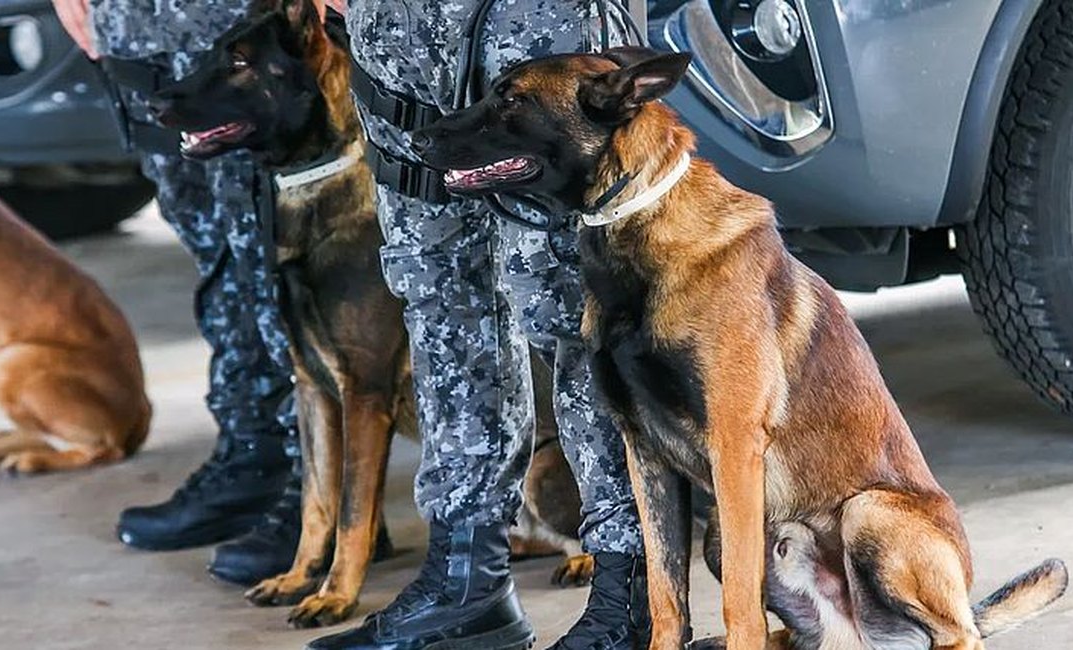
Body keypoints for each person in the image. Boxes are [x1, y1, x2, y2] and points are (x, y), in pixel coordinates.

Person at [307, 2, 649, 650]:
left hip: (534, 18)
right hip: (396, 28)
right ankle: (467, 586)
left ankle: (631, 593)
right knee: (438, 294)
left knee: (578, 311)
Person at [47, 0, 344, 586]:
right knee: (212, 246)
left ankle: (319, 488)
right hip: (138, 30)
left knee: (274, 249)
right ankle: (252, 452)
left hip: (237, 24)